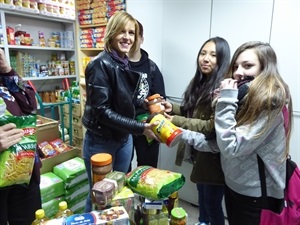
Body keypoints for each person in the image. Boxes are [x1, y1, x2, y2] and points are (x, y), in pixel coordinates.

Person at [180, 41, 292, 225]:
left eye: (248, 66)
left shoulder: (269, 102)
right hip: (234, 184)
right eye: (236, 66)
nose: (238, 72)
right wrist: (179, 134)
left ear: (265, 69)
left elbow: (231, 147)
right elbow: (218, 144)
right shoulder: (243, 98)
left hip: (256, 194)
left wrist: (226, 101)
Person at [81, 11, 159, 213]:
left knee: (118, 191)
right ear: (112, 33)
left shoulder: (123, 62)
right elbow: (102, 111)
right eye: (122, 31)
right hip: (101, 141)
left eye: (131, 33)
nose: (127, 37)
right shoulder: (100, 64)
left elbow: (124, 99)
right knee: (99, 195)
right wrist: (140, 128)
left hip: (124, 139)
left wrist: (149, 104)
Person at [163, 37, 230, 225]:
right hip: (201, 155)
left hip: (215, 158)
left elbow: (210, 127)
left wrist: (176, 121)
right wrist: (173, 108)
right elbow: (191, 110)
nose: (206, 59)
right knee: (202, 198)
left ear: (223, 60)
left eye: (213, 55)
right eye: (203, 53)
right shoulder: (201, 82)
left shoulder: (222, 88)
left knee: (212, 203)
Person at [0, 48, 42, 225]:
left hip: (23, 167)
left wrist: (7, 70)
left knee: (30, 219)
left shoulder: (4, 78)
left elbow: (30, 105)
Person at [127, 20, 166, 171]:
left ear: (142, 38)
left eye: (133, 34)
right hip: (123, 128)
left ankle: (144, 196)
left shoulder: (151, 67)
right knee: (123, 171)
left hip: (147, 127)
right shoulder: (116, 66)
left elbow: (161, 99)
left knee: (148, 171)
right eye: (125, 33)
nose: (129, 38)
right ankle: (130, 196)